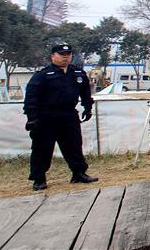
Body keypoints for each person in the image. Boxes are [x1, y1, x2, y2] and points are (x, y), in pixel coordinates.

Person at [23, 44, 99, 190]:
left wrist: (88, 107)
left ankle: (79, 173)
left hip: (69, 115)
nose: (65, 57)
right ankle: (39, 178)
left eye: (68, 54)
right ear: (53, 56)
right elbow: (31, 97)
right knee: (42, 148)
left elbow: (85, 93)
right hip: (46, 116)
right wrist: (31, 118)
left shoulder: (78, 73)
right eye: (61, 54)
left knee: (74, 146)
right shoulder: (43, 75)